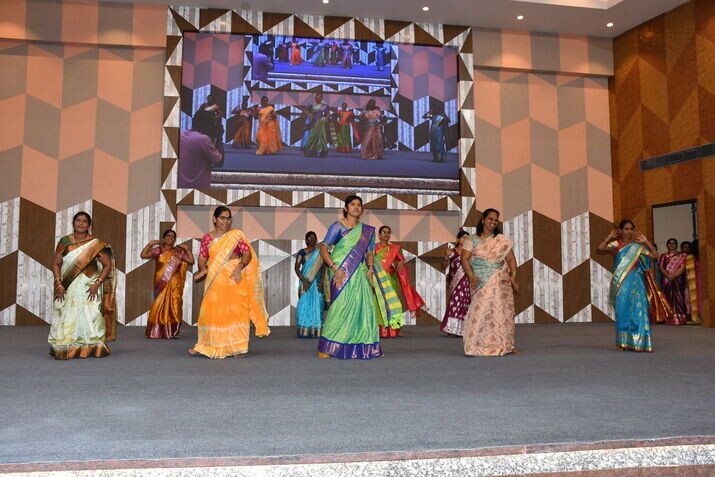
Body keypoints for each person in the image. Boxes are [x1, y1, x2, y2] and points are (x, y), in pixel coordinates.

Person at [317, 195, 402, 359]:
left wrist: (370, 269)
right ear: (346, 208)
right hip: (341, 272)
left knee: (363, 308)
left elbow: (369, 252)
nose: (356, 207)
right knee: (340, 308)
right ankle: (328, 346)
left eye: (359, 205)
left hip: (361, 273)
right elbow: (323, 248)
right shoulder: (337, 226)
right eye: (352, 204)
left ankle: (368, 347)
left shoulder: (367, 230)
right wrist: (335, 268)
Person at [190, 206, 270, 358]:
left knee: (236, 311)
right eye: (222, 218)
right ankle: (205, 344)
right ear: (214, 219)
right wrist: (203, 268)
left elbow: (247, 254)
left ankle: (237, 347)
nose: (226, 221)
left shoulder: (236, 235)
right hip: (215, 278)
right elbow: (202, 257)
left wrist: (239, 267)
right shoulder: (207, 238)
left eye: (228, 218)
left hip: (235, 277)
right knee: (211, 310)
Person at [49, 212, 116, 360]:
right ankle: (66, 345)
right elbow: (55, 263)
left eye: (84, 221)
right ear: (73, 223)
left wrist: (97, 284)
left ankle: (92, 346)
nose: (81, 223)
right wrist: (58, 283)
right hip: (68, 285)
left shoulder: (95, 243)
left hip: (88, 286)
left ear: (88, 225)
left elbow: (107, 265)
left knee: (90, 315)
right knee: (67, 313)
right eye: (78, 220)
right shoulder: (64, 242)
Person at [461, 209, 519, 356]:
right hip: (480, 281)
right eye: (490, 219)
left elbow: (511, 259)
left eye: (496, 220)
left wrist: (513, 276)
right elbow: (464, 259)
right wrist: (471, 276)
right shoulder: (472, 239)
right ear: (483, 219)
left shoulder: (501, 240)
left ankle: (505, 344)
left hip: (500, 280)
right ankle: (475, 345)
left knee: (502, 313)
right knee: (480, 312)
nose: (493, 222)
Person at [598, 220, 658, 352]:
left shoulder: (637, 246)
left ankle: (640, 342)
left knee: (638, 310)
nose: (628, 231)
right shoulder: (616, 244)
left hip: (636, 282)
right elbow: (601, 248)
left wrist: (646, 242)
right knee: (622, 310)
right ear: (620, 230)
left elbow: (654, 255)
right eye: (626, 229)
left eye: (631, 229)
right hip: (620, 282)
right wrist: (609, 237)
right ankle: (623, 342)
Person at [140, 230, 195, 339]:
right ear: (164, 238)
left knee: (175, 306)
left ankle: (173, 332)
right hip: (161, 283)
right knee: (158, 306)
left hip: (175, 285)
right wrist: (149, 245)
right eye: (168, 236)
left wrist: (187, 249)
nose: (170, 238)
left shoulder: (178, 252)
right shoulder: (158, 250)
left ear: (174, 240)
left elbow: (191, 261)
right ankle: (155, 331)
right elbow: (143, 254)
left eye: (173, 236)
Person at [375, 225, 424, 337]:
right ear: (379, 235)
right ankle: (380, 330)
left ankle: (394, 329)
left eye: (388, 232)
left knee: (393, 303)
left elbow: (400, 262)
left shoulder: (395, 248)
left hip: (390, 279)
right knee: (378, 303)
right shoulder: (373, 248)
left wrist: (401, 263)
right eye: (383, 232)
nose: (386, 234)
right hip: (377, 280)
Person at [179, 109, 224, 188]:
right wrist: (219, 137)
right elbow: (219, 162)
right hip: (198, 186)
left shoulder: (181, 135)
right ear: (208, 125)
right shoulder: (203, 139)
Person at [440, 230, 471, 337]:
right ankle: (451, 327)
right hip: (455, 283)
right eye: (463, 238)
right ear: (458, 239)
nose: (466, 240)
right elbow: (443, 267)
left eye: (468, 238)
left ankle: (463, 329)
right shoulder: (452, 252)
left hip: (467, 282)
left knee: (465, 304)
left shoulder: (471, 253)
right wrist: (446, 257)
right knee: (455, 303)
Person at [294, 231, 324, 338]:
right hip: (306, 282)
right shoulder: (302, 252)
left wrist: (321, 282)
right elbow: (296, 268)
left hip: (316, 283)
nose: (313, 239)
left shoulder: (320, 252)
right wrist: (303, 280)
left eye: (315, 237)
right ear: (306, 240)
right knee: (304, 305)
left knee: (317, 304)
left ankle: (315, 331)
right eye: (310, 238)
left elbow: (323, 267)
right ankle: (304, 330)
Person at [658, 238, 689, 325]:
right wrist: (668, 275)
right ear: (667, 245)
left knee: (679, 297)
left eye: (673, 243)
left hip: (678, 279)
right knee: (668, 297)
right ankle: (669, 318)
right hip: (667, 279)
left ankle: (681, 319)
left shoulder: (681, 255)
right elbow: (661, 267)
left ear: (676, 245)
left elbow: (682, 267)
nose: (671, 245)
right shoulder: (663, 256)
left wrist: (674, 275)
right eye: (670, 243)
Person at [302, 93, 333, 157]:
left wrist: (326, 118)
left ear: (322, 98)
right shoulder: (310, 104)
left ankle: (322, 153)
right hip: (313, 122)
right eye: (318, 96)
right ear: (315, 97)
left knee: (322, 137)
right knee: (312, 137)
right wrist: (310, 115)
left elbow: (328, 114)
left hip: (321, 123)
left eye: (320, 96)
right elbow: (305, 110)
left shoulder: (324, 105)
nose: (319, 97)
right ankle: (309, 152)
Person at [681, 241, 703, 324]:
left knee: (701, 297)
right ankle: (696, 317)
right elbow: (688, 271)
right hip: (694, 280)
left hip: (702, 280)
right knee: (693, 298)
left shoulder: (704, 256)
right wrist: (687, 281)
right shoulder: (690, 257)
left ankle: (703, 315)